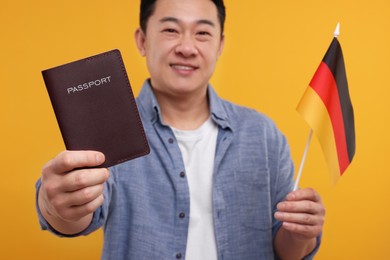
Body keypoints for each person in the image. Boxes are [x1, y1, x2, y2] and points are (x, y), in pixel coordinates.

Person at [36, 0, 325, 259]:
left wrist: (300, 233)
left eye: (202, 33)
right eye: (171, 30)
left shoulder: (263, 134)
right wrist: (54, 204)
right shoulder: (110, 128)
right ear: (142, 40)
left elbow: (286, 250)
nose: (186, 48)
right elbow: (76, 217)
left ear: (220, 45)